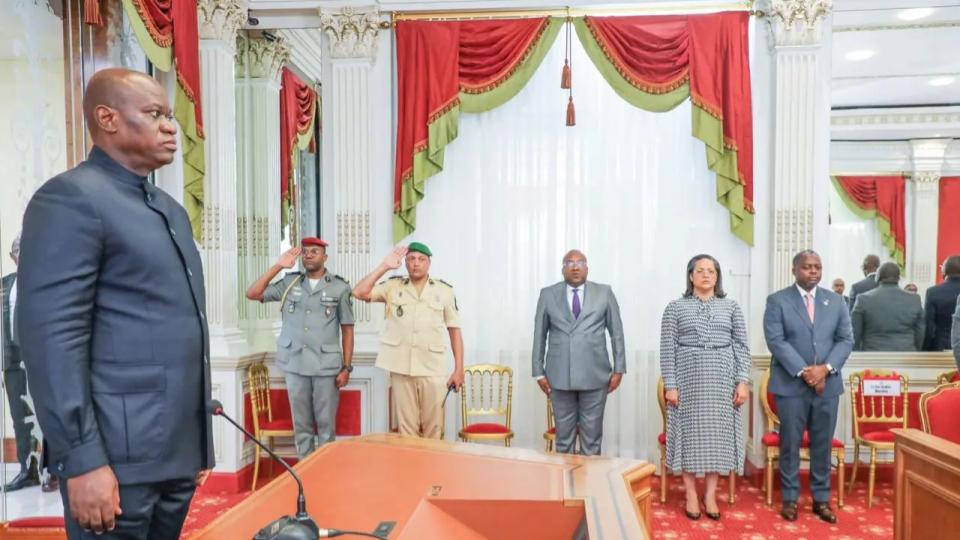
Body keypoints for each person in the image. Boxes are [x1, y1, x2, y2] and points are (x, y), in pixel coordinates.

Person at [17, 68, 213, 538]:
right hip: (112, 458)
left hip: (173, 453)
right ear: (108, 119)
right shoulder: (71, 198)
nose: (170, 126)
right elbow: (52, 340)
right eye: (155, 114)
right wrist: (81, 459)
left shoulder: (169, 211)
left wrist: (193, 446)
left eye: (169, 116)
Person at [763, 250, 852, 524]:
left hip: (828, 386)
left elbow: (846, 340)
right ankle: (790, 499)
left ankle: (821, 500)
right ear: (794, 270)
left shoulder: (836, 301)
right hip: (791, 385)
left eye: (817, 267)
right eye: (807, 267)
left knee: (822, 445)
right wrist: (805, 372)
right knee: (789, 443)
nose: (813, 271)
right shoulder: (777, 301)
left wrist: (825, 369)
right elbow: (776, 341)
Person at [245, 237, 354, 458]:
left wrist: (347, 367)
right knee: (301, 427)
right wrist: (278, 266)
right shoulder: (290, 283)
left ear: (325, 257)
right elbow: (253, 293)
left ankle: (324, 472)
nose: (309, 255)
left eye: (315, 251)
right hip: (295, 363)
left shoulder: (340, 287)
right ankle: (304, 474)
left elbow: (347, 329)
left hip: (326, 367)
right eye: (305, 252)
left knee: (326, 427)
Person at [659, 255, 750, 521]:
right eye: (700, 270)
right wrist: (671, 385)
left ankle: (710, 495)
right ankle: (690, 494)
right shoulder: (675, 308)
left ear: (717, 276)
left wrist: (742, 381)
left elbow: (742, 347)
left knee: (717, 440)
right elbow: (667, 350)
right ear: (691, 276)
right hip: (688, 380)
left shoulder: (731, 307)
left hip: (723, 379)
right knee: (689, 438)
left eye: (711, 271)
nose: (706, 275)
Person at [352, 243, 464, 439]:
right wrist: (384, 266)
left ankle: (431, 462)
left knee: (434, 428)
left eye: (421, 259)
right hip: (401, 367)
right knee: (407, 432)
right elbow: (359, 292)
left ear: (429, 263)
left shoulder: (444, 291)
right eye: (411, 259)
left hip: (432, 368)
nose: (416, 263)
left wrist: (459, 369)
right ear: (405, 263)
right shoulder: (393, 286)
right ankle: (410, 462)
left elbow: (455, 331)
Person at [531, 250, 626, 456]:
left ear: (587, 268)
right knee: (563, 440)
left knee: (591, 440)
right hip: (559, 376)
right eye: (569, 263)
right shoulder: (548, 294)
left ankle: (589, 477)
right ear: (562, 269)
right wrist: (538, 372)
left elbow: (616, 333)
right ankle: (564, 477)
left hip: (595, 375)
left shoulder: (604, 293)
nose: (575, 267)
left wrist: (619, 369)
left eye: (580, 262)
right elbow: (539, 335)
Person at [2, 235, 40, 491]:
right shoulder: (5, 284)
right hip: (12, 360)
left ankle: (49, 470)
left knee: (42, 417)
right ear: (12, 255)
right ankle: (27, 471)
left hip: (35, 359)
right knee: (19, 417)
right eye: (17, 249)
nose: (20, 253)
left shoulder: (41, 282)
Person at [851, 262, 924, 351]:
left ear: (877, 278)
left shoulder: (863, 299)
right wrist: (915, 351)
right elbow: (920, 331)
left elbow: (855, 333)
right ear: (899, 278)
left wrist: (856, 354)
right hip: (905, 354)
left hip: (873, 354)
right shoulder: (914, 299)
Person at [923, 256, 960, 351]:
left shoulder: (933, 292)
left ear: (944, 272)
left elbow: (929, 327)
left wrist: (924, 349)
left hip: (941, 348)